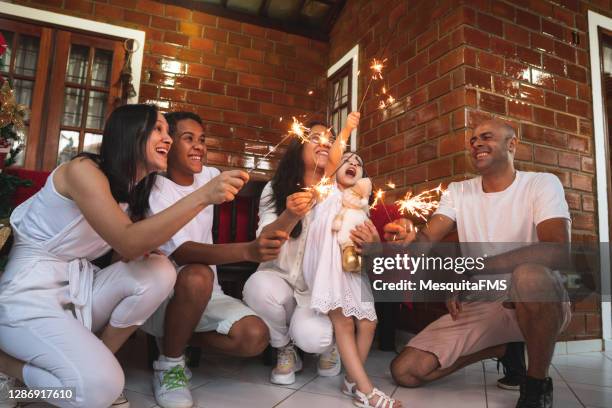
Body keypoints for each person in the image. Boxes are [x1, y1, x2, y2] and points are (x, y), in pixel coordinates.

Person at [0, 104, 248, 408]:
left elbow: (125, 253)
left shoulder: (134, 192)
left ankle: (102, 358)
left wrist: (142, 248)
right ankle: (8, 370)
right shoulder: (83, 171)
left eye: (168, 133)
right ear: (130, 133)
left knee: (159, 269)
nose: (167, 139)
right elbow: (128, 242)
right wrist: (203, 195)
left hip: (78, 288)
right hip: (28, 294)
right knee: (97, 392)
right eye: (158, 129)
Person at [385, 120, 571, 408]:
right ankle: (503, 349)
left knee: (529, 276)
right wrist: (410, 236)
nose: (476, 144)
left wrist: (477, 267)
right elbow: (426, 237)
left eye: (486, 137)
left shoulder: (541, 183)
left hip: (536, 300)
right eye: (472, 140)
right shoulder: (458, 192)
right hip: (483, 302)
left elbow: (558, 250)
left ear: (512, 144)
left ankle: (536, 385)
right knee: (405, 372)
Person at [141, 111, 286, 408]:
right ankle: (170, 365)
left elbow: (231, 180)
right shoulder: (154, 188)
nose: (199, 146)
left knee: (255, 337)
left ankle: (173, 337)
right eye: (188, 138)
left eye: (203, 140)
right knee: (197, 273)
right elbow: (180, 252)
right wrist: (248, 250)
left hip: (208, 295)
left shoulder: (207, 176)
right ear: (168, 144)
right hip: (163, 292)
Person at [242, 115, 360, 385]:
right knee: (257, 287)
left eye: (331, 141)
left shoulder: (339, 193)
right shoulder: (275, 188)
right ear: (299, 145)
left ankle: (325, 343)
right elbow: (265, 243)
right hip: (279, 279)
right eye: (316, 138)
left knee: (314, 337)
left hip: (317, 290)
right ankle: (285, 347)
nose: (324, 143)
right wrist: (290, 215)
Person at [304, 147, 401, 407]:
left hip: (353, 270)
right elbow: (333, 159)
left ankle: (351, 379)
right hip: (328, 268)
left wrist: (374, 243)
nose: (353, 163)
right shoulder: (326, 193)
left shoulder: (362, 205)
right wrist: (347, 128)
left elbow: (373, 249)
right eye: (346, 160)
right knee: (344, 323)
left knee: (369, 322)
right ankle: (366, 391)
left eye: (358, 163)